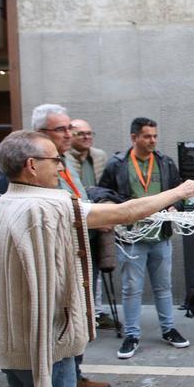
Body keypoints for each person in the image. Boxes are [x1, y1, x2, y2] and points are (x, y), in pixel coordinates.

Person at [0, 130, 194, 387]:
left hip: (12, 344)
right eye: (54, 160)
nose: (59, 167)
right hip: (45, 344)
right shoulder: (49, 205)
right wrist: (180, 191)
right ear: (31, 166)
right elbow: (123, 212)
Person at [32, 105, 110, 387]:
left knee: (79, 318)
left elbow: (77, 199)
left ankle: (74, 379)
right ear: (42, 133)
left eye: (70, 129)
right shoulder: (41, 166)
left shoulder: (66, 161)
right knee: (62, 323)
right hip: (59, 257)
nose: (70, 135)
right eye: (62, 130)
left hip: (80, 249)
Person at [99, 117, 192, 359]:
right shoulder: (118, 164)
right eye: (147, 136)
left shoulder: (165, 162)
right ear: (134, 138)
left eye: (155, 136)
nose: (152, 140)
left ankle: (169, 329)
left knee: (163, 287)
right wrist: (112, 208)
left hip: (160, 236)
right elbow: (102, 191)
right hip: (131, 238)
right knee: (131, 289)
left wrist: (176, 206)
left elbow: (178, 190)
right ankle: (131, 335)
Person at [67, 118, 116, 331]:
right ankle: (79, 317)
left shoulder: (100, 157)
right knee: (78, 274)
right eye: (81, 134)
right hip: (76, 225)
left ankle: (96, 313)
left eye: (89, 133)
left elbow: (105, 188)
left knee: (96, 271)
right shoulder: (63, 160)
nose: (87, 137)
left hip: (99, 225)